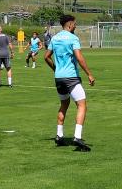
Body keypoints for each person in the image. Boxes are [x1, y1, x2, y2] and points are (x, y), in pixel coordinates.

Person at [45, 13, 94, 151]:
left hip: (59, 77)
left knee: (64, 104)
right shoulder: (73, 38)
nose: (76, 25)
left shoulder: (55, 38)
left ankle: (59, 135)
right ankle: (77, 137)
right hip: (71, 77)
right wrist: (89, 74)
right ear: (70, 24)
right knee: (82, 104)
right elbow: (79, 57)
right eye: (75, 23)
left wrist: (56, 68)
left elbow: (46, 56)